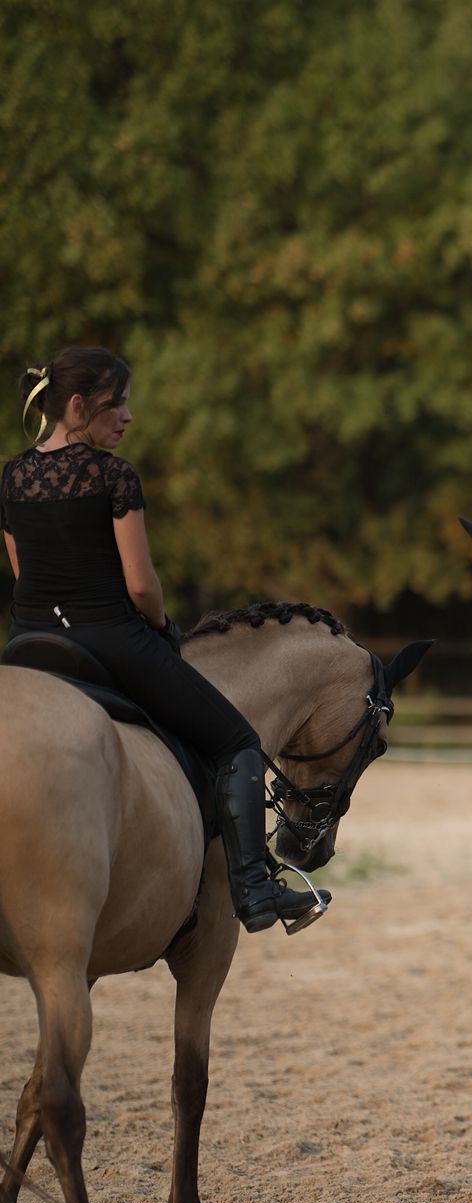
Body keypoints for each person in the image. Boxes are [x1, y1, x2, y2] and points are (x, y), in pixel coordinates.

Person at [5, 346, 325, 931]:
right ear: (78, 406)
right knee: (238, 741)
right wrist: (158, 626)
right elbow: (142, 586)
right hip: (109, 638)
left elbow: (23, 572)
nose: (126, 417)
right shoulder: (113, 476)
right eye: (116, 406)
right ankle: (255, 890)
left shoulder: (13, 474)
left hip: (27, 642)